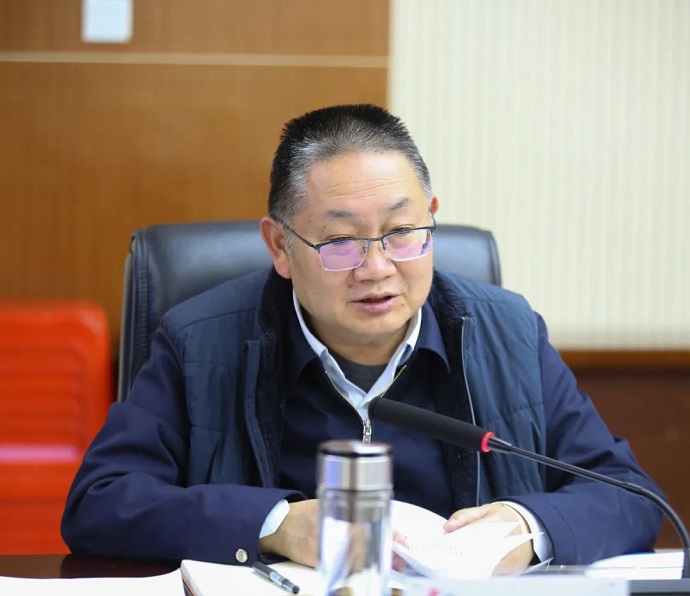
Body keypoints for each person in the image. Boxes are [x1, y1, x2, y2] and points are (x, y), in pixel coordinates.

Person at [61, 104, 663, 573]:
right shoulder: (200, 342)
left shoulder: (509, 333)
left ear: (431, 217)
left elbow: (633, 497)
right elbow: (101, 502)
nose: (376, 268)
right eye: (340, 242)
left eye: (402, 231)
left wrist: (528, 526)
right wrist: (277, 524)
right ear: (280, 246)